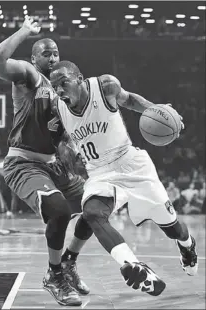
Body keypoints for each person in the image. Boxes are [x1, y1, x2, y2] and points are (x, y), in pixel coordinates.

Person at [50, 60, 198, 296]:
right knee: (92, 212)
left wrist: (159, 111)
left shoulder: (105, 86)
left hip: (132, 164)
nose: (59, 90)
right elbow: (65, 138)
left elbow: (129, 100)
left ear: (79, 79)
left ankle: (188, 245)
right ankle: (134, 265)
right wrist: (65, 153)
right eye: (54, 86)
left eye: (63, 83)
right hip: (100, 172)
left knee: (173, 229)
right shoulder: (58, 106)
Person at [0, 17, 93, 307]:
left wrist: (72, 153)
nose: (53, 57)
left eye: (56, 53)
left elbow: (63, 137)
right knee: (58, 211)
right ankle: (54, 275)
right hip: (23, 163)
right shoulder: (31, 76)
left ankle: (69, 261)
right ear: (35, 58)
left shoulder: (64, 95)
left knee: (96, 205)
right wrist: (25, 31)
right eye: (46, 53)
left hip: (52, 164)